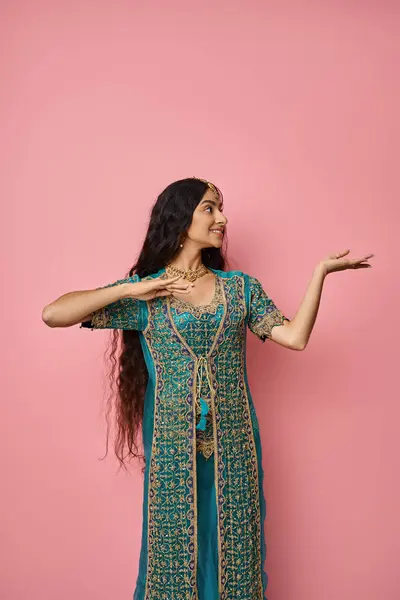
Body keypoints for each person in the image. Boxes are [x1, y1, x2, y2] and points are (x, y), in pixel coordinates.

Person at [42, 177, 374, 600]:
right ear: (181, 218)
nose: (222, 218)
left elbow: (294, 337)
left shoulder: (240, 289)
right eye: (210, 208)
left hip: (235, 444)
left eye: (221, 208)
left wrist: (320, 274)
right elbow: (54, 314)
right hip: (171, 449)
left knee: (236, 546)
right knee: (173, 550)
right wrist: (132, 287)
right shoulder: (149, 293)